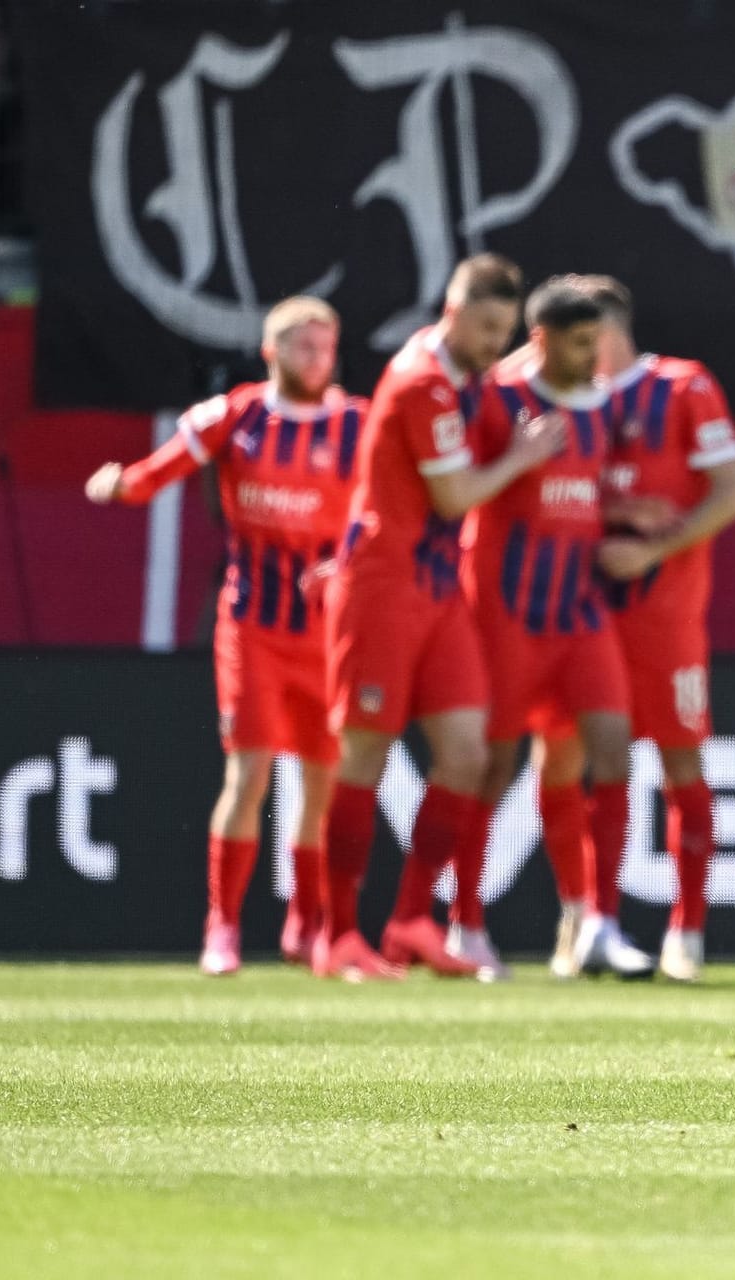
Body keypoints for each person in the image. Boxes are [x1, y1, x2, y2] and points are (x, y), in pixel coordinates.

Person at [85, 297, 363, 976]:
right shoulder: (234, 415)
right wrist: (122, 484)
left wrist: (347, 562)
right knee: (250, 774)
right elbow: (166, 467)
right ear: (271, 351)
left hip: (328, 631)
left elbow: (383, 509)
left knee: (325, 783)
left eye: (326, 345)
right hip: (254, 624)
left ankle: (309, 922)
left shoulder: (357, 424)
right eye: (302, 344)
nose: (316, 357)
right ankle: (224, 927)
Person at [319, 254, 566, 982]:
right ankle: (338, 936)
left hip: (436, 588)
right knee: (363, 755)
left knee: (469, 755)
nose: (496, 344)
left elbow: (500, 405)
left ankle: (408, 921)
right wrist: (523, 455)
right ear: (451, 313)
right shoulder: (423, 382)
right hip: (383, 585)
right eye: (486, 328)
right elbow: (457, 496)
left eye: (504, 332)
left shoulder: (470, 377)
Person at [533, 275, 735, 983]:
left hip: (665, 618)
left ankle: (686, 929)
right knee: (562, 760)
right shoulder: (560, 400)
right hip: (577, 612)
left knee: (680, 764)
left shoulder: (684, 387)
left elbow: (732, 493)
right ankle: (585, 915)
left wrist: (653, 548)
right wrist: (620, 522)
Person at [447, 278, 638, 982]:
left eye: (599, 341)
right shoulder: (497, 400)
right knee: (492, 768)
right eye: (582, 343)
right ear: (542, 341)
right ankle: (464, 922)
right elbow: (452, 486)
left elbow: (585, 489)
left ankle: (600, 921)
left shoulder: (604, 405)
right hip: (506, 612)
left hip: (580, 610)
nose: (596, 356)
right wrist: (517, 459)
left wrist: (629, 512)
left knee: (611, 752)